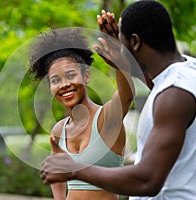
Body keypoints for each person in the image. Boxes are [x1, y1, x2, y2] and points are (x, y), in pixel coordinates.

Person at [40, 1, 196, 199]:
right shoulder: (195, 72)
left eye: (124, 43)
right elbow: (159, 81)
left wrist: (74, 170)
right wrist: (122, 62)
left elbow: (147, 180)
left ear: (135, 42)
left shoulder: (174, 94)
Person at [29, 28, 134, 200]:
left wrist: (120, 63)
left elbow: (126, 95)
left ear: (86, 76)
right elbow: (57, 174)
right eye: (55, 80)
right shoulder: (59, 130)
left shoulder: (106, 119)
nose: (64, 85)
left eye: (71, 75)